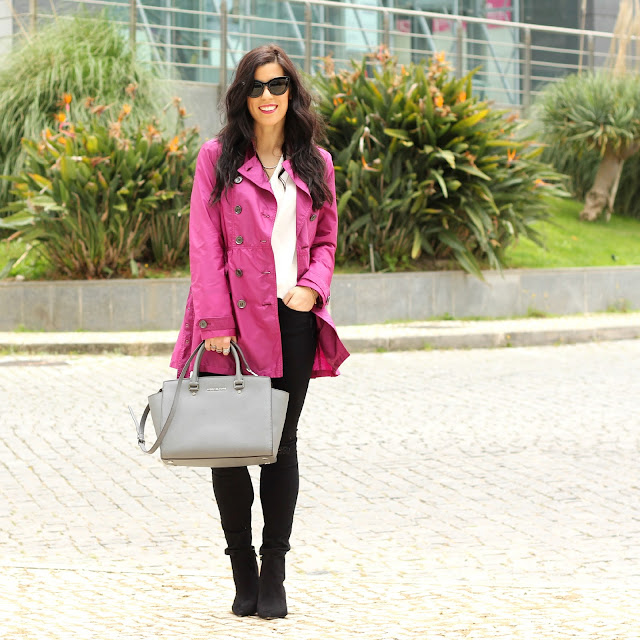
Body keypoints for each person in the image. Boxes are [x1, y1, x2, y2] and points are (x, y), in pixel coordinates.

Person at [170, 44, 349, 619]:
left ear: (291, 91)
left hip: (292, 318)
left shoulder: (316, 163)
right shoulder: (217, 157)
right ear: (242, 95)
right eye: (256, 86)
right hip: (227, 324)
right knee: (227, 450)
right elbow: (204, 243)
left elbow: (326, 239)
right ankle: (241, 569)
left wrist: (312, 287)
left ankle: (274, 573)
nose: (267, 96)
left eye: (277, 85)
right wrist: (215, 321)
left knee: (279, 445)